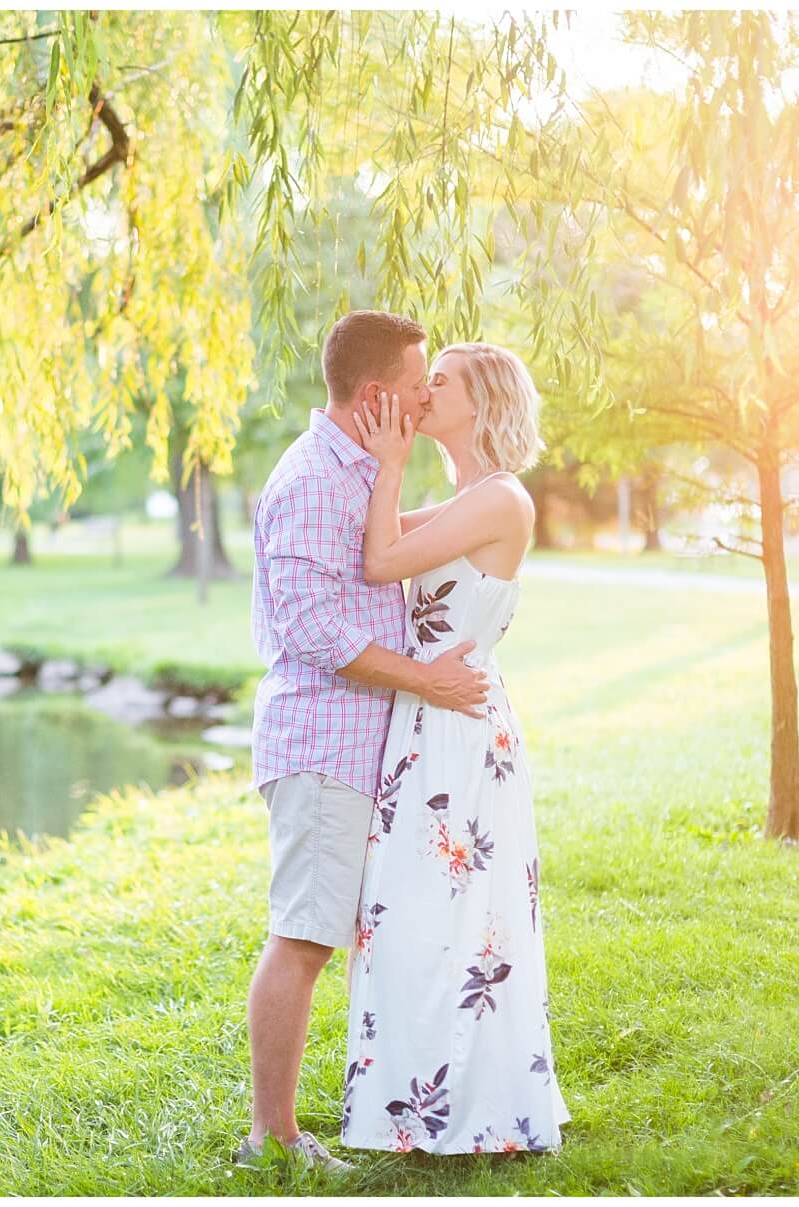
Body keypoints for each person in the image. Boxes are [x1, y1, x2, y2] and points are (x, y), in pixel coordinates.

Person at [236, 311, 493, 1174]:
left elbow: (422, 538)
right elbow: (311, 627)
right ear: (378, 395)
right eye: (420, 380)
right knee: (304, 936)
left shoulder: (360, 471)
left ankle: (361, 1106)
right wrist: (430, 681)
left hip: (363, 747)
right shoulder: (314, 478)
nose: (427, 394)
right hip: (322, 744)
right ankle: (272, 1134)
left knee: (337, 933)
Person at [338, 343, 571, 1155]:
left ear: (480, 404)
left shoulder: (500, 500)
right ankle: (417, 1106)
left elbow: (378, 560)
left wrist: (390, 460)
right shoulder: (466, 496)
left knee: (464, 919)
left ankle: (477, 1110)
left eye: (439, 381)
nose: (421, 389)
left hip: (460, 728)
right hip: (426, 718)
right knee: (413, 910)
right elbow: (367, 533)